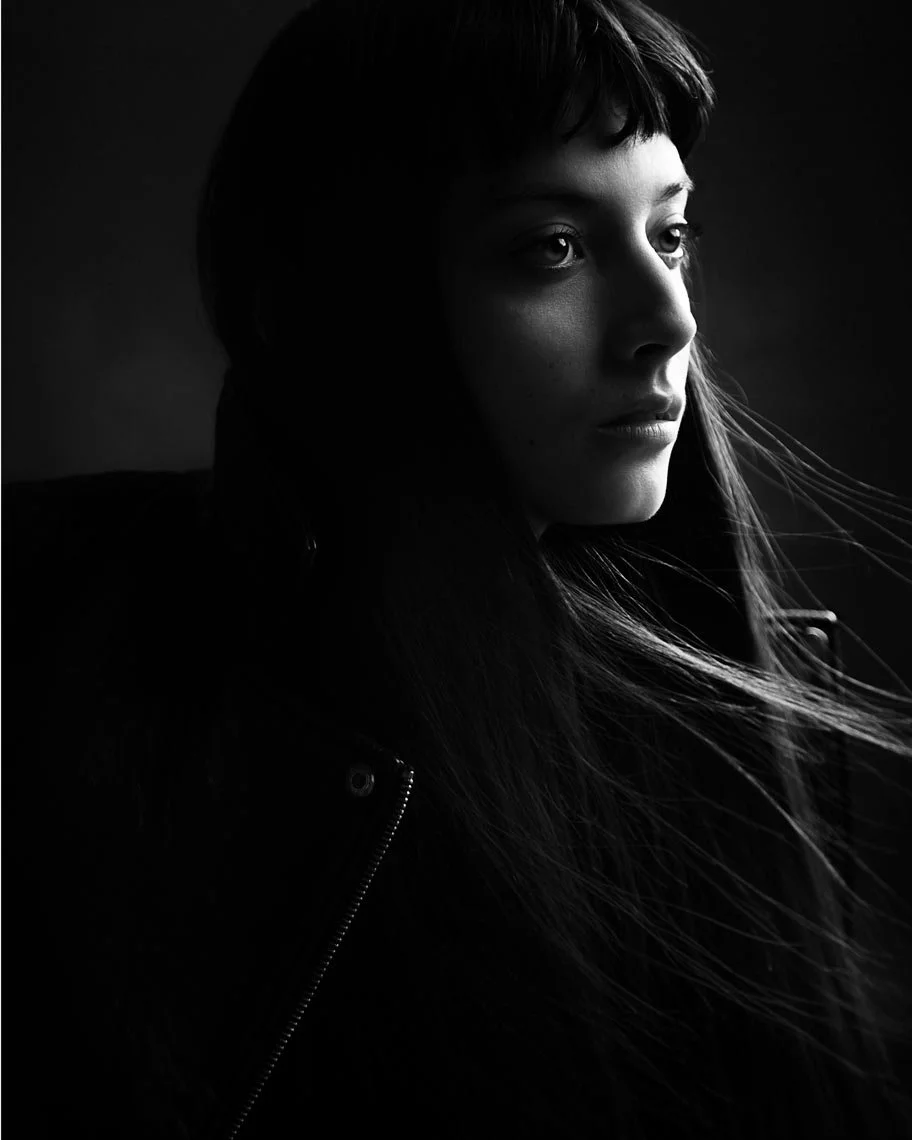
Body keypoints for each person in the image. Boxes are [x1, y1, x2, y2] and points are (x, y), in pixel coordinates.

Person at [4, 0, 912, 1136]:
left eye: (669, 234)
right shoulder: (45, 651)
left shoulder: (741, 732)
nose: (668, 321)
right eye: (554, 247)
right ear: (348, 293)